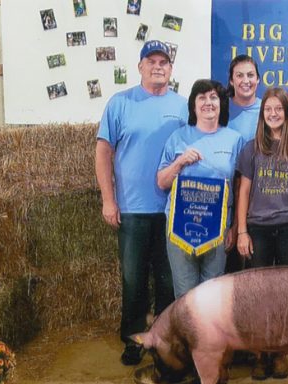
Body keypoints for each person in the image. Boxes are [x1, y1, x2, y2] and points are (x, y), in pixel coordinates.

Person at [96, 40, 187, 366]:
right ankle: (134, 340)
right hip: (133, 209)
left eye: (164, 61)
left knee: (167, 280)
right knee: (134, 279)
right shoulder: (120, 104)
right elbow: (103, 152)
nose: (158, 66)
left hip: (172, 209)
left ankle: (162, 338)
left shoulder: (182, 106)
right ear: (140, 67)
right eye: (152, 61)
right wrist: (109, 200)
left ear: (171, 69)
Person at [235, 87, 288, 380]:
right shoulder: (251, 148)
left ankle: (281, 354)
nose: (273, 114)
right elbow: (243, 191)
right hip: (258, 228)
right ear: (262, 113)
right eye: (268, 109)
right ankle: (260, 353)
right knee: (257, 295)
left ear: (287, 113)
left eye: (278, 109)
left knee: (285, 296)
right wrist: (242, 231)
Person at [157, 79, 244, 298]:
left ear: (221, 103)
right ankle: (188, 334)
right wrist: (179, 163)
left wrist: (234, 227)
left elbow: (241, 187)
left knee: (212, 295)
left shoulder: (235, 140)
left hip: (218, 228)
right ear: (193, 105)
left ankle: (209, 334)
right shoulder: (177, 138)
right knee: (185, 295)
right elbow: (161, 182)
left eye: (213, 97)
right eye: (202, 97)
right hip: (179, 228)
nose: (208, 102)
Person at [224, 55, 262, 274]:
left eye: (250, 75)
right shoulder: (220, 110)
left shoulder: (269, 110)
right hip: (228, 202)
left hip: (260, 201)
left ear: (258, 80)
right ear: (231, 81)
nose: (245, 80)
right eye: (239, 75)